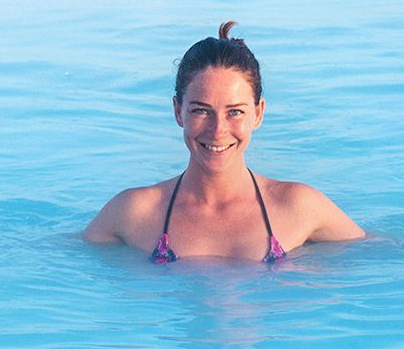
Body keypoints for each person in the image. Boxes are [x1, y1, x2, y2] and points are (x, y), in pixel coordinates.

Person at [83, 22, 364, 262]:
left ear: (258, 113)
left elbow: (380, 256)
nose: (218, 130)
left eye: (235, 112)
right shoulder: (135, 213)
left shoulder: (298, 207)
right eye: (201, 110)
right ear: (177, 111)